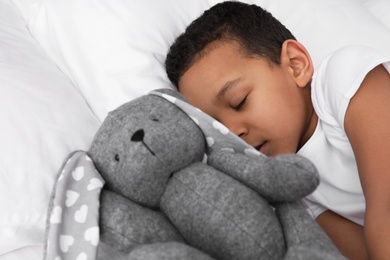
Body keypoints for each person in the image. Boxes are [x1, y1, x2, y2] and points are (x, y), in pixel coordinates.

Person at [164, 1, 390, 259]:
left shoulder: (343, 79)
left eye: (239, 101)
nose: (234, 133)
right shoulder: (294, 193)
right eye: (218, 130)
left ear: (295, 65)